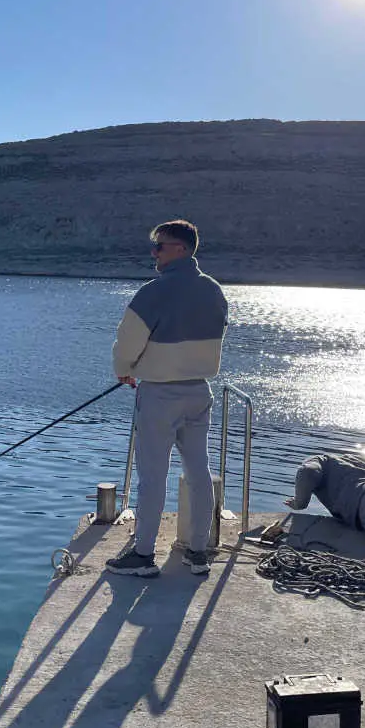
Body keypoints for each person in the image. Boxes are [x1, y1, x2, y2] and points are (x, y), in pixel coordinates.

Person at [107, 220, 229, 578]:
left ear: (179, 248)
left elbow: (127, 342)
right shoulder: (214, 291)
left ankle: (144, 554)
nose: (154, 253)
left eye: (158, 246)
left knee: (152, 474)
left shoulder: (153, 292)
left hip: (160, 394)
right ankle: (198, 551)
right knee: (198, 471)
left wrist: (125, 368)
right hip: (199, 392)